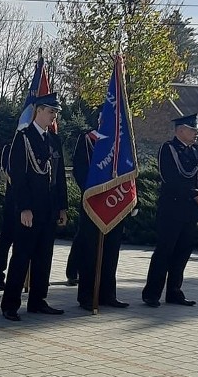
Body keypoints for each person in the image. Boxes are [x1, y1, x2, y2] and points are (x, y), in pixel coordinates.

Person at [0, 93, 68, 321]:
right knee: (21, 257)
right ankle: (10, 304)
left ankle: (38, 300)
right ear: (38, 111)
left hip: (49, 209)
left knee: (44, 257)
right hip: (30, 209)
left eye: (55, 113)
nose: (53, 116)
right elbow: (18, 177)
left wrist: (62, 207)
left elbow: (59, 177)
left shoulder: (54, 139)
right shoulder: (23, 138)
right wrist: (24, 208)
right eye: (51, 112)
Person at [142, 113, 198, 308]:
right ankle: (152, 293)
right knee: (164, 251)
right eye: (193, 130)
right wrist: (195, 194)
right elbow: (170, 178)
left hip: (192, 210)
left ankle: (174, 291)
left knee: (183, 252)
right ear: (180, 130)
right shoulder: (169, 149)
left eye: (197, 130)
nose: (196, 133)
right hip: (172, 209)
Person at [70, 130, 129, 311]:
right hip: (93, 204)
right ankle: (87, 295)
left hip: (115, 203)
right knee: (90, 252)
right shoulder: (88, 138)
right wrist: (97, 193)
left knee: (111, 251)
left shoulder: (121, 140)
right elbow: (79, 169)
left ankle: (108, 294)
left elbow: (127, 167)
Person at [0, 143, 14, 290]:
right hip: (14, 203)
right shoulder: (10, 147)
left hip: (36, 205)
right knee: (6, 239)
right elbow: (9, 172)